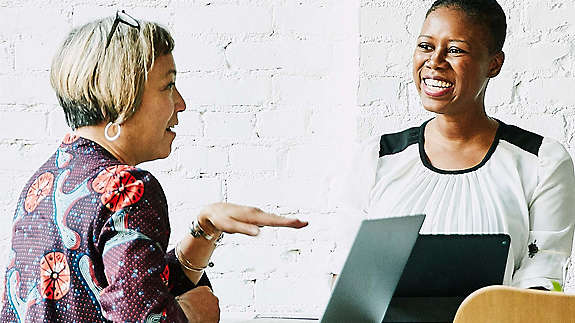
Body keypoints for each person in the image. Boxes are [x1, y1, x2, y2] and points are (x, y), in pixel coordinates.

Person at [0, 11, 307, 323]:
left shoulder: (45, 180)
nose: (181, 103)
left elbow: (130, 292)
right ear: (121, 95)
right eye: (168, 86)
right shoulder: (127, 189)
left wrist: (205, 230)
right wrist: (192, 316)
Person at [336, 0, 575, 290]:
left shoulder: (541, 162)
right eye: (426, 46)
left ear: (493, 64)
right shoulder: (377, 157)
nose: (434, 61)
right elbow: (347, 280)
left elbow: (543, 280)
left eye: (455, 50)